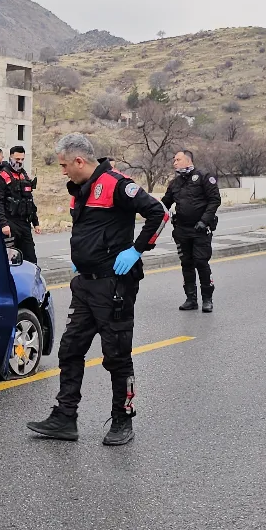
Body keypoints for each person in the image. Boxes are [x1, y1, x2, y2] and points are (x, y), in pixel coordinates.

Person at [26, 133, 168, 446]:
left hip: (114, 285)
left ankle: (122, 419)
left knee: (116, 355)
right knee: (70, 349)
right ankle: (65, 417)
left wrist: (136, 250)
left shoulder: (116, 184)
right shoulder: (81, 189)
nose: (63, 171)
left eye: (64, 165)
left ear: (79, 161)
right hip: (85, 284)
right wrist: (81, 259)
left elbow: (159, 213)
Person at [161, 150, 221, 312]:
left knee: (201, 262)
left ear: (188, 160)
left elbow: (215, 200)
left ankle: (207, 299)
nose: (174, 163)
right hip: (182, 230)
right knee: (186, 264)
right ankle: (191, 299)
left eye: (178, 159)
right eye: (174, 160)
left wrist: (204, 221)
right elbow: (164, 204)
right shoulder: (175, 183)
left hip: (200, 229)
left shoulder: (203, 176)